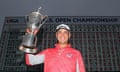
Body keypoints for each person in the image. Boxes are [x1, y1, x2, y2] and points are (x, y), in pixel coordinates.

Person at [20, 24, 86, 72]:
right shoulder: (47, 52)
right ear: (56, 35)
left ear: (69, 36)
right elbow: (30, 60)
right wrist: (30, 37)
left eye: (65, 32)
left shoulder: (76, 53)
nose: (62, 35)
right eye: (59, 32)